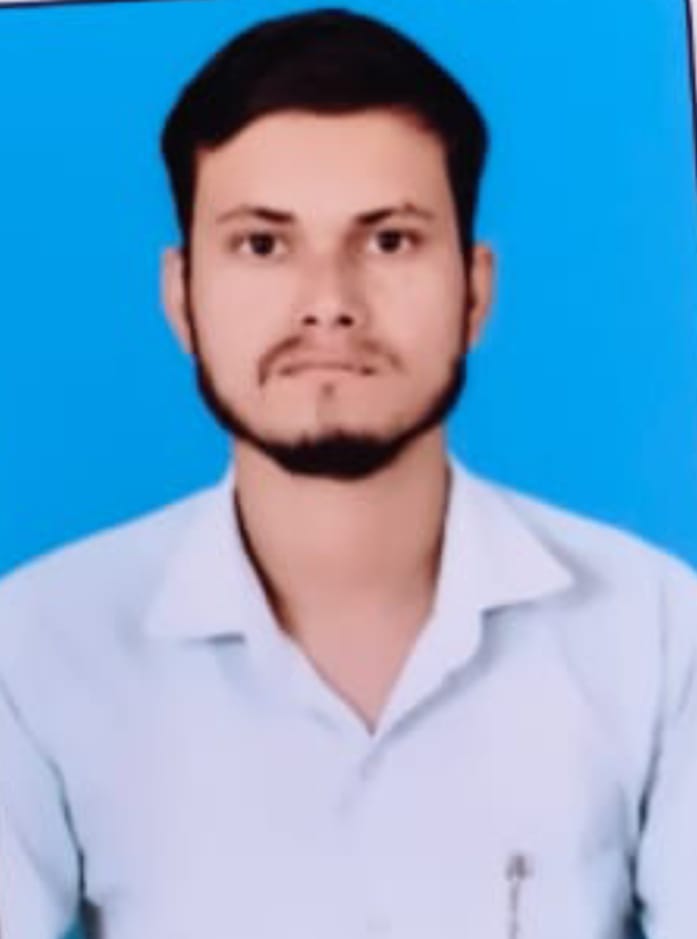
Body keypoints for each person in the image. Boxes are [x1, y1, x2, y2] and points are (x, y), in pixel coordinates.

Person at [1, 7, 696, 939]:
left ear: (475, 288)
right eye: (262, 244)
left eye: (389, 240)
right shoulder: (35, 648)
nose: (328, 303)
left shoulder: (657, 632)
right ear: (180, 295)